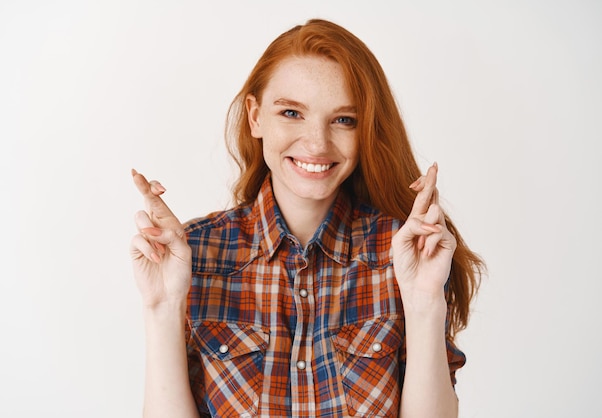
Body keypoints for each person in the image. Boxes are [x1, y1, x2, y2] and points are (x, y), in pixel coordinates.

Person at [130, 18, 484, 418]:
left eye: (343, 120)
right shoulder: (194, 255)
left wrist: (423, 302)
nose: (317, 143)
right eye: (292, 113)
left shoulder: (405, 253)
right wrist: (162, 306)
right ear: (255, 116)